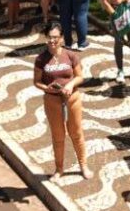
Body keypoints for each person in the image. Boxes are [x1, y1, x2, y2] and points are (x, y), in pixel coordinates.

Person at [33, 22, 89, 181]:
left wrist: (70, 85)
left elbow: (80, 76)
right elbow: (36, 81)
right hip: (52, 100)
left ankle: (83, 165)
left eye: (56, 38)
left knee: (76, 133)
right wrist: (47, 88)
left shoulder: (70, 55)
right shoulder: (41, 59)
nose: (52, 41)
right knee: (58, 136)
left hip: (72, 99)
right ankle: (59, 169)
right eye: (50, 38)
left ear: (62, 38)